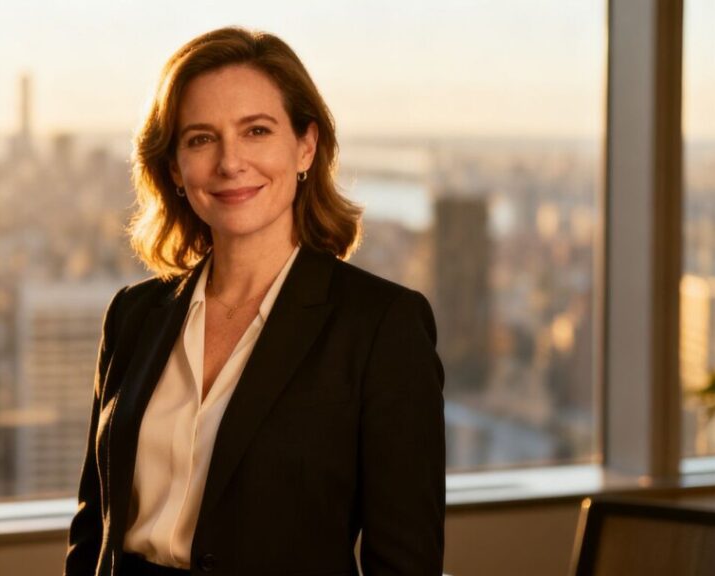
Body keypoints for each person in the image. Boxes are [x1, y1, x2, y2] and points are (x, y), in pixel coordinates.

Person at [65, 26, 444, 576]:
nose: (230, 162)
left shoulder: (381, 327)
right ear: (174, 168)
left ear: (305, 146)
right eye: (200, 139)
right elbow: (92, 530)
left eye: (257, 131)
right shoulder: (133, 315)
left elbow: (405, 563)